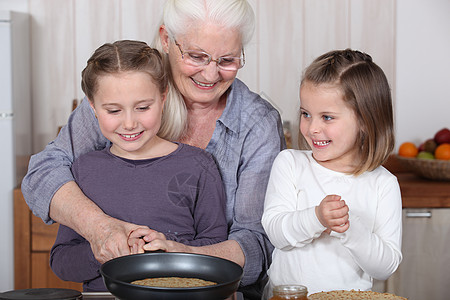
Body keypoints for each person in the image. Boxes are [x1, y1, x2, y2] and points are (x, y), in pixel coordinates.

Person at [21, 0, 286, 298]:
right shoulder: (122, 90)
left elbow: (256, 243)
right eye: (197, 56)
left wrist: (180, 256)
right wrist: (101, 230)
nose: (211, 76)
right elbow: (43, 173)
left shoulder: (257, 123)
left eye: (228, 60)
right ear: (166, 39)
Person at [48, 40, 228, 292]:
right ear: (92, 107)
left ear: (163, 98)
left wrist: (169, 248)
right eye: (113, 110)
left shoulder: (199, 165)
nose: (130, 123)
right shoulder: (83, 170)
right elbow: (60, 262)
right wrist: (103, 251)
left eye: (143, 107)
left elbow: (215, 247)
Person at [261, 49, 403, 296]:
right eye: (306, 114)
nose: (312, 128)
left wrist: (350, 229)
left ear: (364, 122)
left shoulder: (383, 184)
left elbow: (386, 267)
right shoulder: (290, 164)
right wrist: (316, 217)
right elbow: (276, 232)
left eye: (327, 117)